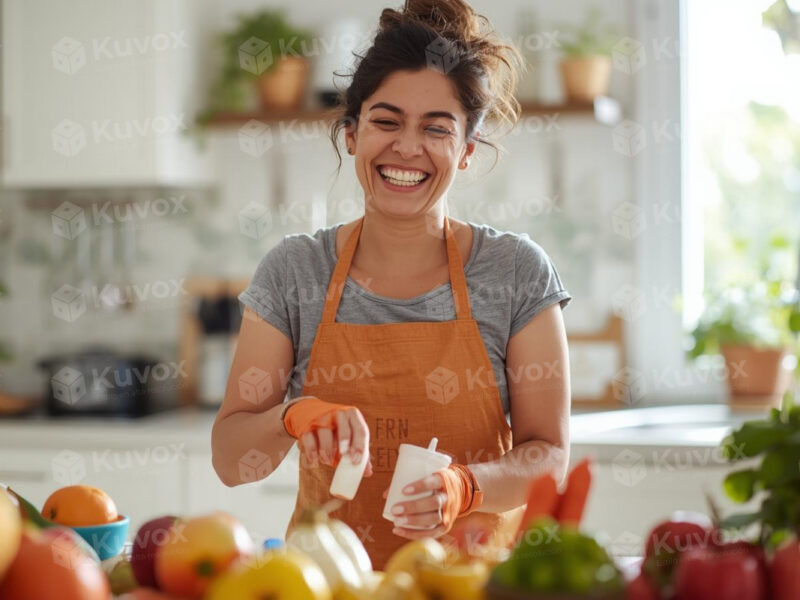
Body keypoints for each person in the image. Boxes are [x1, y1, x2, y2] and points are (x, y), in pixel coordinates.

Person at [212, 0, 572, 569]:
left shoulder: (516, 272)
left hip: (472, 582)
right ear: (351, 134)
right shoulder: (294, 273)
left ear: (467, 151)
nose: (407, 147)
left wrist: (465, 487)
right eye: (386, 121)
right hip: (330, 584)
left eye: (437, 128)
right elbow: (233, 464)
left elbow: (548, 457)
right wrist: (292, 416)